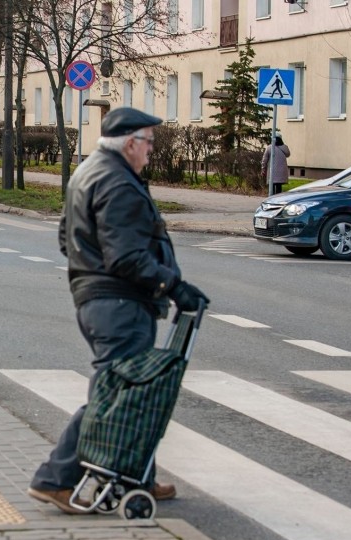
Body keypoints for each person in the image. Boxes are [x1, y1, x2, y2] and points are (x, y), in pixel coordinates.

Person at [27, 107, 210, 515]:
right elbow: (126, 256)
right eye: (148, 142)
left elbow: (65, 236)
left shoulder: (89, 172)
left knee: (125, 391)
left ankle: (135, 476)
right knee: (113, 395)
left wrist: (86, 268)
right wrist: (173, 286)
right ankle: (55, 478)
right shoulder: (118, 184)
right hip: (120, 303)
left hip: (101, 298)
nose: (150, 150)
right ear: (130, 143)